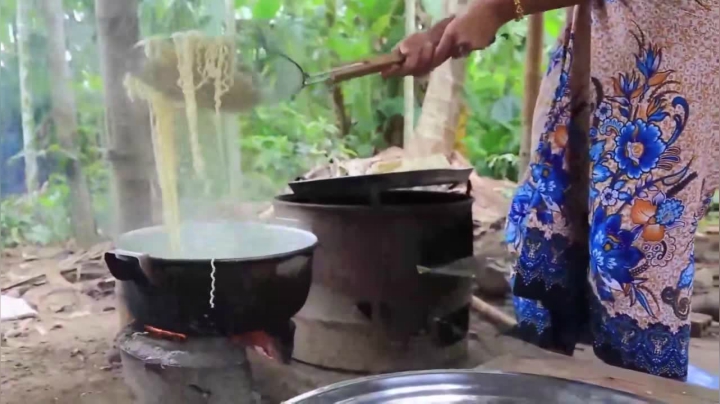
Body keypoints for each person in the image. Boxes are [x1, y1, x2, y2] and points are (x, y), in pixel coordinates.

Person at [385, 0, 719, 380]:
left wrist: (498, 10)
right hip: (608, 32)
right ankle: (556, 375)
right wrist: (444, 31)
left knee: (638, 242)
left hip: (671, 39)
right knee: (562, 203)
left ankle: (642, 385)